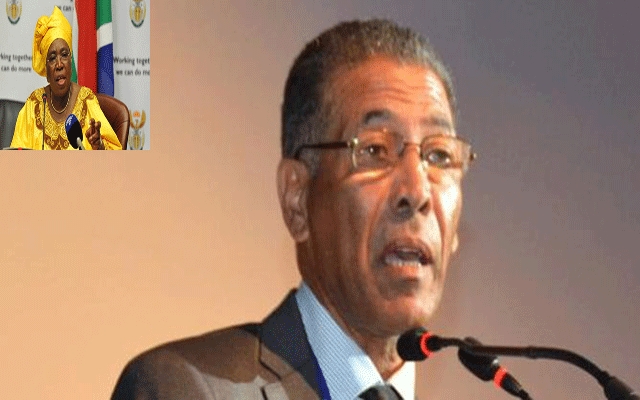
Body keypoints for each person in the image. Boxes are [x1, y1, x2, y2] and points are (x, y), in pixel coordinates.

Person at [111, 19, 475, 399]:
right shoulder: (185, 388)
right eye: (375, 150)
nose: (417, 191)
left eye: (439, 155)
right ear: (296, 199)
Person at [10, 6, 121, 150]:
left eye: (64, 55)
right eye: (52, 58)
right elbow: (16, 157)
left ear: (70, 62)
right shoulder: (33, 106)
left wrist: (98, 146)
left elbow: (115, 156)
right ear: (46, 70)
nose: (59, 65)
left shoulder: (87, 101)